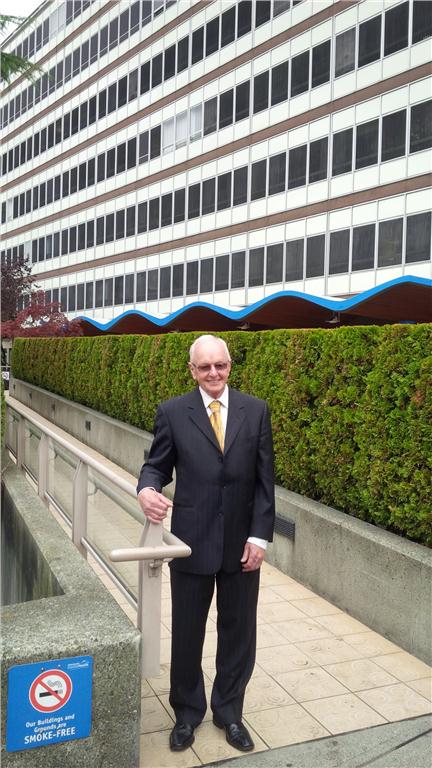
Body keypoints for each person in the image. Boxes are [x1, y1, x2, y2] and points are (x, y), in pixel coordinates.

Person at [137, 334, 275, 752]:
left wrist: (259, 536)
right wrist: (146, 490)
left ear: (230, 366)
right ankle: (187, 713)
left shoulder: (256, 411)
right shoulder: (174, 412)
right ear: (192, 370)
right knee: (187, 633)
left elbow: (265, 482)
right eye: (204, 367)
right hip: (190, 543)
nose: (214, 373)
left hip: (241, 545)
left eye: (221, 365)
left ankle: (230, 713)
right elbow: (154, 467)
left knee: (238, 634)